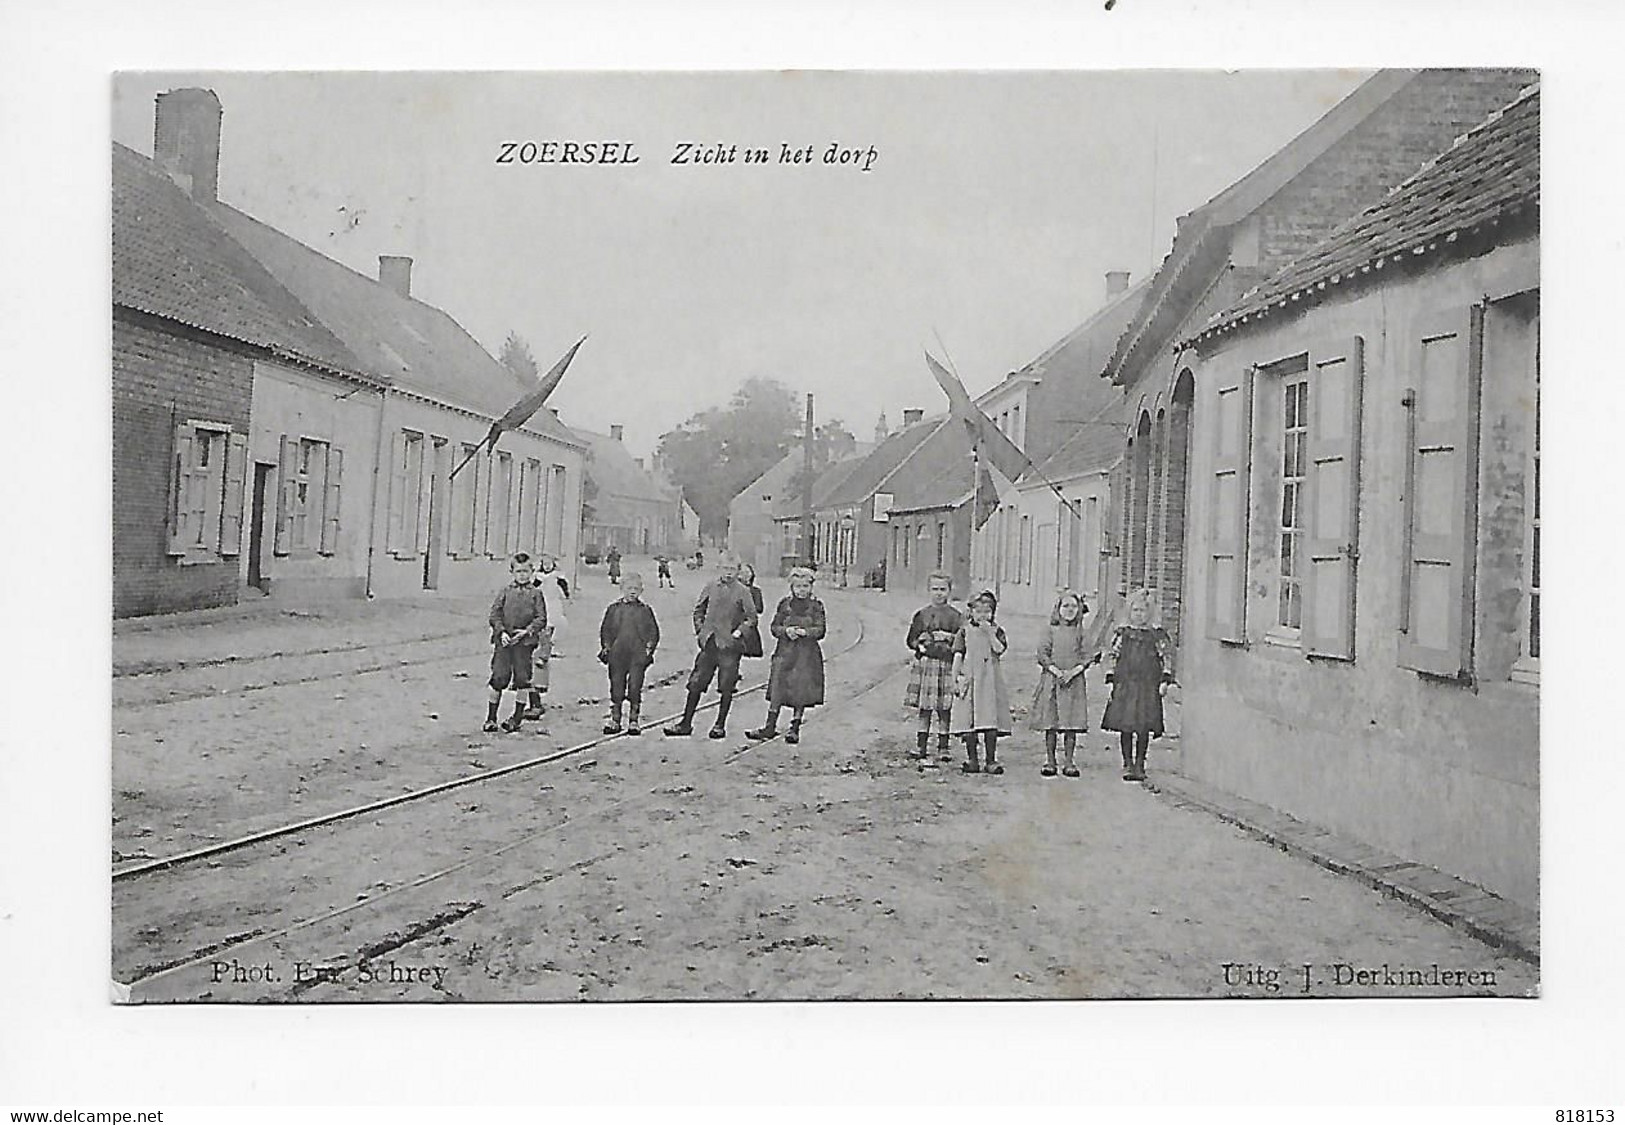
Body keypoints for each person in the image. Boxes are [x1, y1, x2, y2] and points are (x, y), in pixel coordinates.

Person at [663, 554, 759, 739]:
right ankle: (685, 723)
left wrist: (738, 633)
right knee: (696, 683)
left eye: (732, 570)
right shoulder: (711, 586)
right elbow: (699, 610)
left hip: (730, 647)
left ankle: (719, 725)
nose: (729, 573)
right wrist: (701, 631)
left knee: (726, 685)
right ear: (719, 568)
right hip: (709, 643)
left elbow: (751, 618)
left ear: (738, 571)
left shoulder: (743, 591)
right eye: (725, 569)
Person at [1100, 587, 1175, 782]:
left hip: (1148, 686)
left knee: (1144, 725)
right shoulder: (1123, 634)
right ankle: (1127, 763)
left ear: (1149, 613)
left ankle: (1140, 763)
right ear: (1129, 612)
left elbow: (1166, 657)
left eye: (1143, 611)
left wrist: (1165, 680)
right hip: (1126, 684)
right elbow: (1112, 656)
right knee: (1126, 725)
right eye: (1135, 610)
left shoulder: (1156, 636)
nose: (1139, 615)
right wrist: (1111, 677)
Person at [746, 567, 826, 745]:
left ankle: (794, 727)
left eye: (805, 586)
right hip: (784, 651)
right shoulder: (785, 604)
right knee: (777, 689)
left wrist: (804, 632)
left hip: (806, 655)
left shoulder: (816, 606)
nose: (801, 590)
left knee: (800, 690)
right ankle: (769, 726)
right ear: (791, 587)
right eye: (798, 586)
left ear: (811, 587)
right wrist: (786, 631)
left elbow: (820, 630)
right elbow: (774, 627)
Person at [1029, 590, 1092, 778]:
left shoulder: (1081, 632)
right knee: (1052, 721)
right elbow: (1042, 653)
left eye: (1074, 606)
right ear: (1058, 609)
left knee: (1070, 722)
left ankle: (1069, 761)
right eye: (1066, 606)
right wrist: (1056, 671)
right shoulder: (1050, 630)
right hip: (1052, 679)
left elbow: (1087, 655)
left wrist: (1073, 672)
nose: (1070, 610)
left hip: (1074, 681)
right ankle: (1050, 760)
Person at [485, 553, 549, 733]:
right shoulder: (505, 592)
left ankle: (517, 717)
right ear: (512, 572)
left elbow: (541, 618)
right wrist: (501, 632)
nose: (522, 575)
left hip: (524, 644)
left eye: (526, 571)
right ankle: (491, 718)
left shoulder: (536, 594)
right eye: (518, 571)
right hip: (504, 643)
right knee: (499, 677)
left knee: (522, 679)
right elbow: (494, 615)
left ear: (532, 572)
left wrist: (527, 631)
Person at [903, 572, 963, 763]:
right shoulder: (921, 615)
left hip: (946, 664)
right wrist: (920, 645)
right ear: (929, 590)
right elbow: (911, 639)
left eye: (943, 589)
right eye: (935, 589)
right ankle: (921, 745)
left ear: (949, 591)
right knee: (925, 707)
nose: (939, 593)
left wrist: (948, 637)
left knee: (944, 708)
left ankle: (943, 747)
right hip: (927, 664)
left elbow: (963, 641)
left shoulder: (956, 616)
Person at [951, 590, 1012, 774]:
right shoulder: (964, 632)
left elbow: (999, 649)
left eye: (987, 612)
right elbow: (958, 655)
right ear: (971, 612)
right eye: (978, 612)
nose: (983, 616)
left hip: (989, 681)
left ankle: (991, 759)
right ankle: (972, 759)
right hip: (970, 678)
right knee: (969, 719)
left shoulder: (997, 631)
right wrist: (954, 678)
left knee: (989, 718)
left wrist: (990, 633)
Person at [598, 572, 659, 735]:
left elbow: (654, 632)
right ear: (621, 588)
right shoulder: (614, 609)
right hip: (617, 655)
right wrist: (606, 647)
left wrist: (648, 650)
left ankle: (633, 719)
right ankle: (615, 719)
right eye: (629, 588)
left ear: (641, 591)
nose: (632, 592)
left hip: (637, 656)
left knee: (635, 686)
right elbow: (606, 630)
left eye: (636, 589)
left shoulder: (645, 610)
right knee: (616, 686)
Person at [525, 553, 572, 719]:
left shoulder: (557, 576)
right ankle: (532, 700)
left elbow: (564, 586)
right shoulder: (538, 578)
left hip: (552, 605)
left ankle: (545, 652)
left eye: (549, 563)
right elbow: (533, 587)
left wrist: (567, 595)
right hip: (541, 604)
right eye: (544, 564)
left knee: (547, 632)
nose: (546, 566)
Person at [737, 562, 766, 659]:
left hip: (749, 624)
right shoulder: (733, 590)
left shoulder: (756, 591)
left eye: (747, 572)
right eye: (742, 572)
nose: (745, 575)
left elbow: (759, 608)